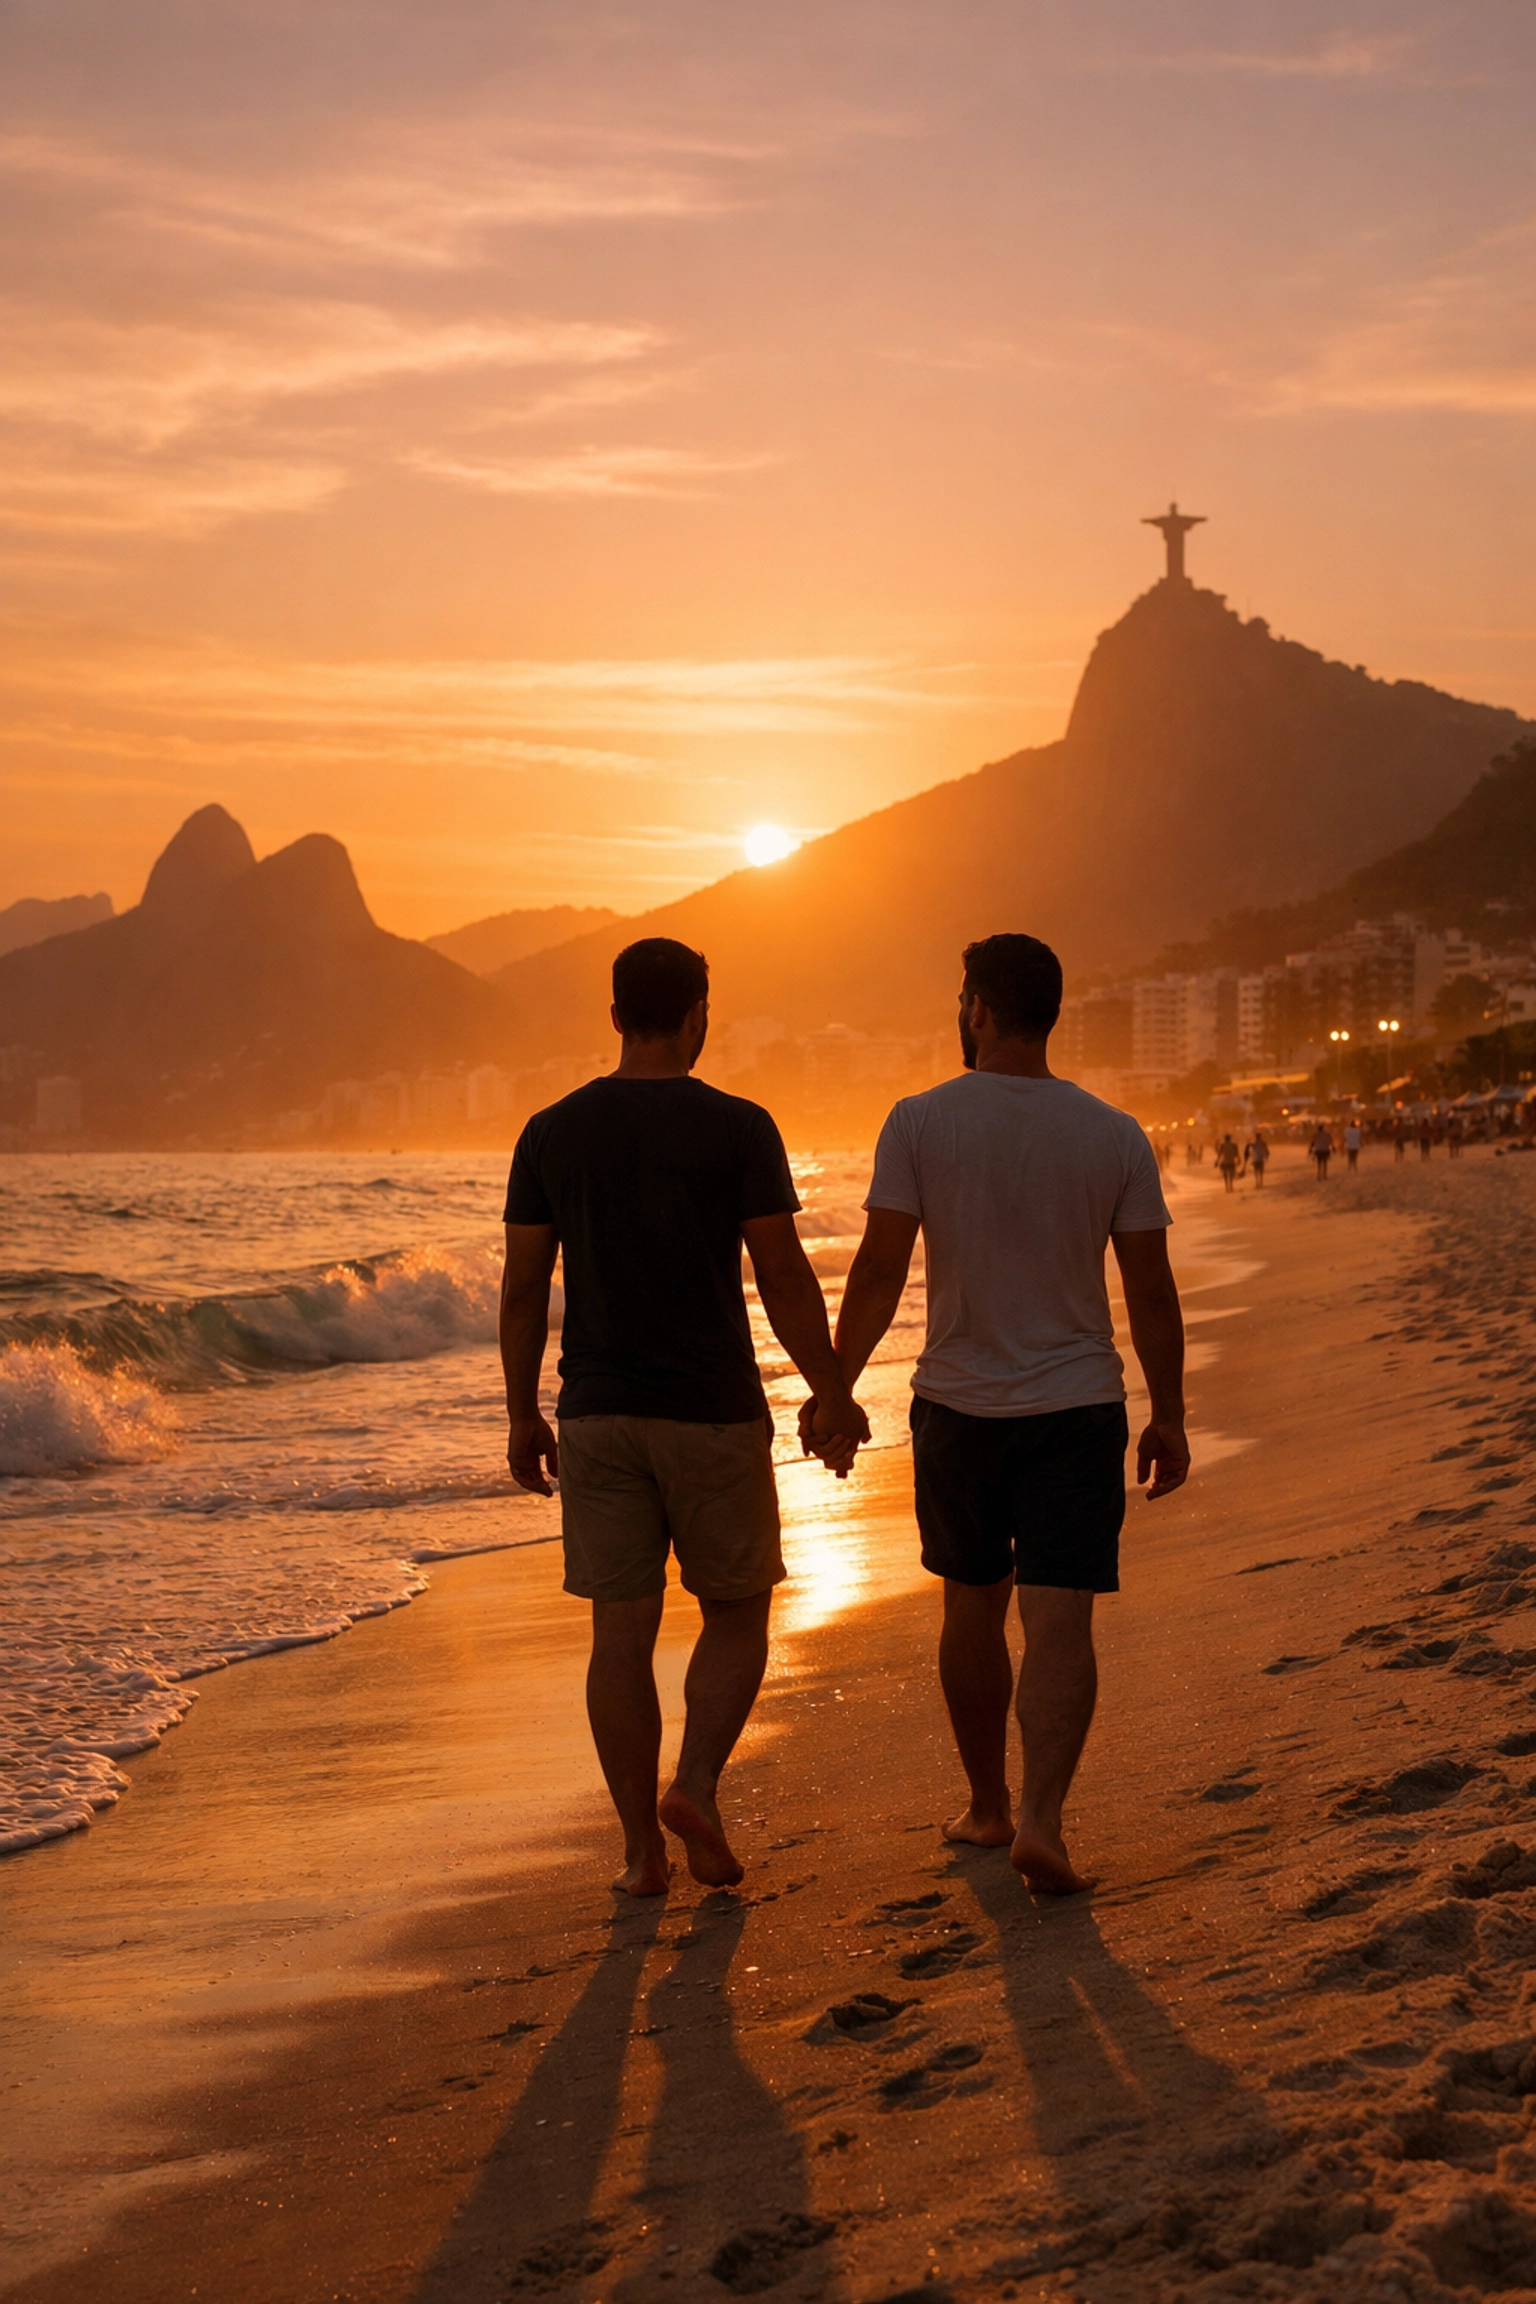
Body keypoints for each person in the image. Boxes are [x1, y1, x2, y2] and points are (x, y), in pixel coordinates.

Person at [809, 934, 1189, 1897]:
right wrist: (1171, 1414)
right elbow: (1150, 1290)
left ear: (977, 1006)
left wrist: (836, 1386)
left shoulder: (919, 1121)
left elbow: (883, 1267)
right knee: (1060, 1616)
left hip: (958, 1407)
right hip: (1078, 1406)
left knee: (971, 1603)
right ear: (1048, 1012)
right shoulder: (1114, 1133)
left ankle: (986, 1806)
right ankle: (1042, 1822)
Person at [499, 937, 868, 1899]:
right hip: (710, 1410)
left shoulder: (550, 1132)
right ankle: (696, 1784)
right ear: (699, 1016)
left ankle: (638, 1856)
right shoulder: (739, 1127)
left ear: (616, 1017)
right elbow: (782, 1274)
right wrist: (829, 1390)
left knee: (618, 1632)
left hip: (597, 1414)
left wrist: (521, 1413)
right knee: (737, 1612)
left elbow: (523, 1287)